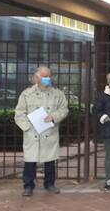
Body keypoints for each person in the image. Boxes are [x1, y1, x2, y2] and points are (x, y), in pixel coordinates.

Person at [14, 66, 69, 197]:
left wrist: (54, 117)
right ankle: (28, 185)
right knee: (30, 160)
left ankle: (49, 184)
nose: (47, 79)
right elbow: (19, 113)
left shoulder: (58, 94)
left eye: (48, 76)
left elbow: (64, 109)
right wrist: (27, 127)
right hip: (32, 133)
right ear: (37, 77)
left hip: (49, 132)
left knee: (49, 160)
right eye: (44, 76)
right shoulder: (27, 94)